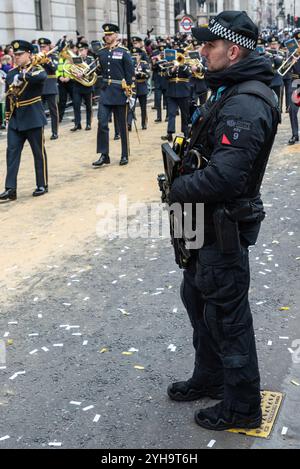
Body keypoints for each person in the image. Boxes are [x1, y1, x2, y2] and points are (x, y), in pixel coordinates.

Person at [167, 11, 280, 431]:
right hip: (203, 226)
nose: (201, 50)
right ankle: (210, 376)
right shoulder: (229, 90)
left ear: (233, 51)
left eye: (209, 45)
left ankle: (242, 405)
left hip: (222, 226)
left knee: (228, 319)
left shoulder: (247, 101)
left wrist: (178, 188)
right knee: (197, 301)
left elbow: (227, 176)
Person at [0, 40, 48, 201]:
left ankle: (42, 184)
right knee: (12, 153)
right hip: (16, 119)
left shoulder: (36, 69)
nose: (17, 57)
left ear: (29, 54)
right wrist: (7, 116)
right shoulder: (12, 72)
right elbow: (9, 97)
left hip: (33, 117)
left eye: (20, 54)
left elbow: (41, 77)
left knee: (38, 153)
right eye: (16, 54)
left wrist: (23, 75)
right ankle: (10, 188)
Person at [93, 24, 135, 168]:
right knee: (102, 122)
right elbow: (100, 70)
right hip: (105, 91)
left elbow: (130, 72)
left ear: (116, 35)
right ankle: (104, 154)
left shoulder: (124, 52)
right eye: (106, 34)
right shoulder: (101, 52)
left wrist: (129, 90)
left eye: (110, 34)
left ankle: (124, 154)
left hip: (119, 91)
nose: (107, 37)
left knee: (122, 125)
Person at [161, 48, 192, 142]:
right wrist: (174, 67)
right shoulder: (170, 65)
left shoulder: (186, 65)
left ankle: (186, 132)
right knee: (171, 113)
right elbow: (166, 76)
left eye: (179, 56)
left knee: (185, 114)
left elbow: (189, 74)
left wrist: (181, 64)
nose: (178, 58)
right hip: (171, 93)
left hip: (183, 92)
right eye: (177, 56)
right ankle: (170, 133)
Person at [70, 41, 95, 131]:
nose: (80, 52)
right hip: (77, 86)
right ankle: (77, 124)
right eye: (79, 50)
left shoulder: (90, 59)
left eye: (81, 50)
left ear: (86, 50)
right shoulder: (75, 59)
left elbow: (93, 70)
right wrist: (74, 74)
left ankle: (88, 124)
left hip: (87, 86)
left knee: (88, 106)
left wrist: (83, 74)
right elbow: (71, 69)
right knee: (76, 105)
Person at [38, 38, 59, 140]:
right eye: (41, 47)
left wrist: (47, 60)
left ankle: (54, 132)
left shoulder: (53, 56)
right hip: (40, 87)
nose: (43, 48)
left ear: (49, 47)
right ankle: (40, 132)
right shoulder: (37, 57)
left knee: (53, 110)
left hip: (50, 86)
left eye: (44, 47)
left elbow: (54, 68)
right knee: (39, 111)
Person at [128, 47, 150, 130]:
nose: (134, 57)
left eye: (136, 55)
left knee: (143, 107)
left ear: (140, 56)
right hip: (133, 87)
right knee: (131, 106)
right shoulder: (130, 64)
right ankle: (129, 123)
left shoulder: (144, 63)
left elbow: (148, 75)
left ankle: (144, 123)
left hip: (142, 86)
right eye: (133, 55)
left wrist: (139, 73)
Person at [288, 31, 300, 145]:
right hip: (296, 81)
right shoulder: (292, 53)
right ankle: (295, 134)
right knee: (292, 109)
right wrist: (291, 62)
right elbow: (283, 69)